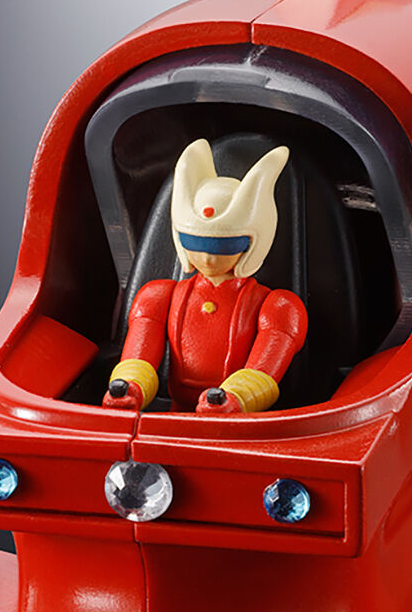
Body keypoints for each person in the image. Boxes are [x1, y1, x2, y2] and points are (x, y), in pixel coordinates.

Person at [103, 137, 307, 414]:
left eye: (225, 246)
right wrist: (131, 385)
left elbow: (264, 368)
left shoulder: (277, 306)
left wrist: (237, 397)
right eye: (195, 243)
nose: (208, 258)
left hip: (238, 419)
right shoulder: (158, 296)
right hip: (174, 414)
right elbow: (141, 352)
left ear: (252, 243)